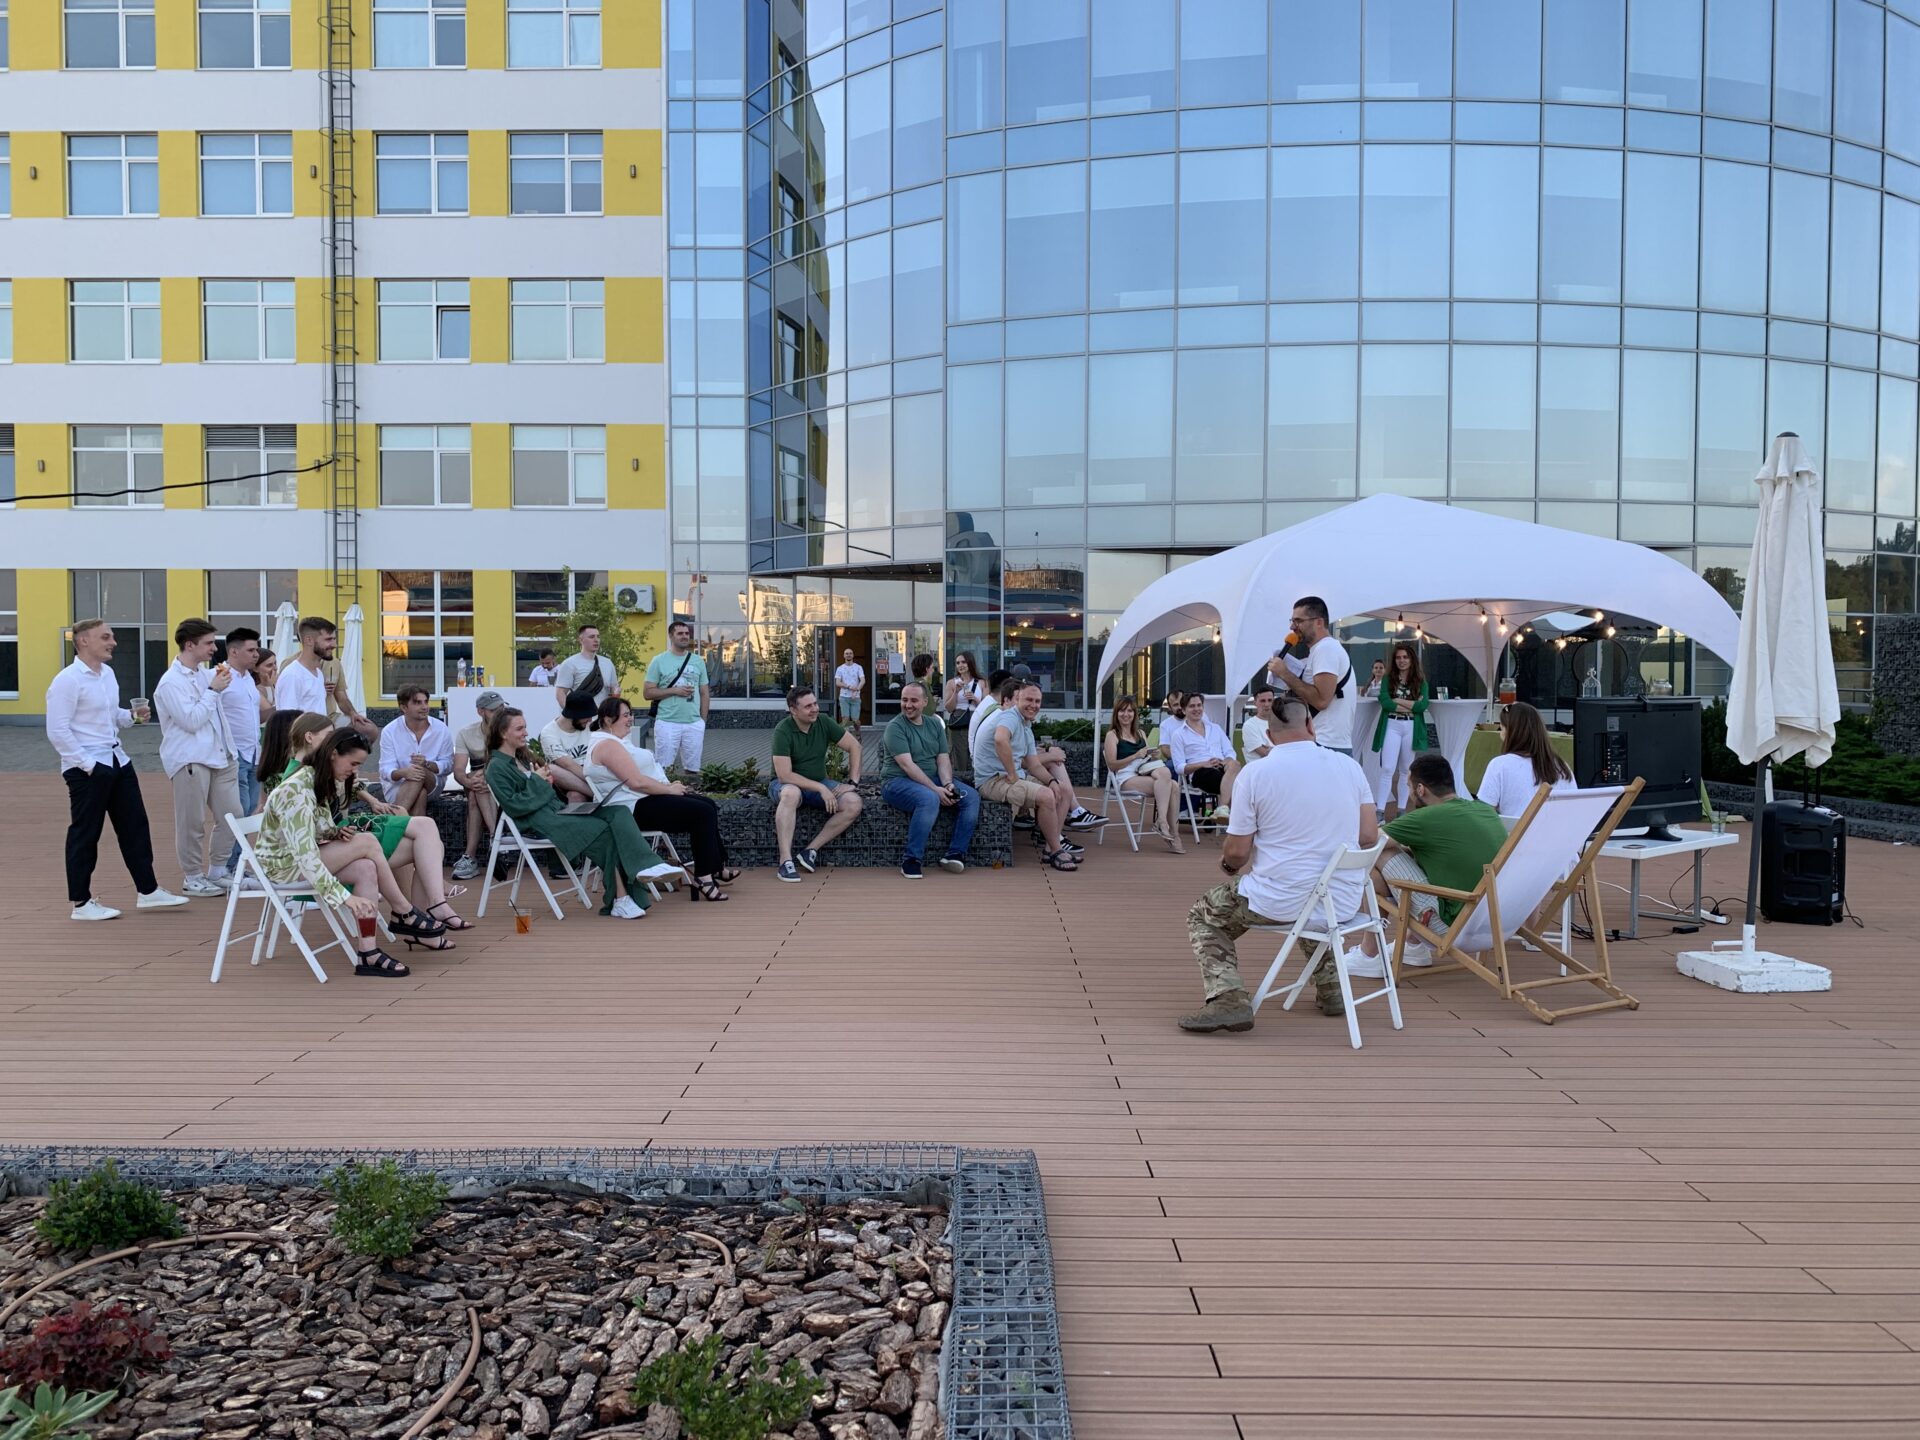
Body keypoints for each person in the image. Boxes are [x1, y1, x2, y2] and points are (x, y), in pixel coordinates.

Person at [1178, 698, 1379, 1033]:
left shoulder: (1256, 773)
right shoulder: (1349, 767)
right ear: (1311, 726)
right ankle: (1332, 987)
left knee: (1203, 915)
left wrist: (1228, 865)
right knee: (1314, 899)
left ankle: (1228, 999)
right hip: (1342, 899)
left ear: (1269, 735)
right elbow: (1369, 835)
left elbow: (1238, 853)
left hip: (1281, 899)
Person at [255, 725, 448, 976]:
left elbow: (317, 828)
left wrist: (334, 833)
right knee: (366, 841)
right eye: (354, 764)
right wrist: (344, 898)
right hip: (284, 868)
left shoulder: (315, 780)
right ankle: (403, 910)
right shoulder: (297, 789)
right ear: (333, 754)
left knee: (365, 867)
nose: (355, 771)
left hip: (300, 858)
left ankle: (368, 952)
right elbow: (305, 856)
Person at [47, 619, 189, 921]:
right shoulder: (67, 681)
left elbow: (111, 716)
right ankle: (81, 903)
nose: (113, 642)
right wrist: (88, 765)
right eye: (105, 637)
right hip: (87, 769)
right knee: (86, 834)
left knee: (135, 826)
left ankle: (148, 891)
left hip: (118, 761)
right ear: (83, 641)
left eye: (111, 637)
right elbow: (57, 731)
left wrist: (131, 717)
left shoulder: (107, 674)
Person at [486, 707, 675, 918]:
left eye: (525, 727)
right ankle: (621, 899)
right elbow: (514, 805)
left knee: (619, 811)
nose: (526, 733)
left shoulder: (521, 758)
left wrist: (543, 784)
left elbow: (541, 792)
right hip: (539, 822)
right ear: (503, 733)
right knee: (606, 831)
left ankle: (647, 865)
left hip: (557, 811)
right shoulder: (496, 767)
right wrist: (538, 782)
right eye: (520, 729)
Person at [312, 727, 470, 941]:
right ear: (309, 737)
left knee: (428, 840)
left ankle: (421, 913)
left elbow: (349, 794)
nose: (329, 739)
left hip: (340, 836)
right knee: (410, 832)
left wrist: (371, 801)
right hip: (325, 850)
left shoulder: (330, 772)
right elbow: (308, 837)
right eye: (326, 734)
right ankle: (411, 911)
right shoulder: (303, 780)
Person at [586, 697, 739, 900]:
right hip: (629, 810)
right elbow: (636, 782)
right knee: (702, 812)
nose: (630, 719)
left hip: (639, 800)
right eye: (625, 715)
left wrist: (668, 786)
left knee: (708, 804)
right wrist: (669, 790)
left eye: (630, 714)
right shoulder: (607, 745)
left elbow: (639, 779)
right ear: (607, 720)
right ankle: (704, 876)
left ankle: (715, 867)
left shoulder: (616, 741)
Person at [1377, 753, 1510, 966]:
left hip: (1453, 927)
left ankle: (1369, 952)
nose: (1410, 794)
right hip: (1496, 922)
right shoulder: (1485, 810)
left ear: (1421, 789)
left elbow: (1369, 842)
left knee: (1379, 852)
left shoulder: (1425, 818)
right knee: (1426, 854)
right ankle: (1412, 944)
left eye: (1409, 787)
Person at [153, 618, 243, 898]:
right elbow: (190, 721)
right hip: (190, 758)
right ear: (189, 645)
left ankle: (217, 870)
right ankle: (192, 876)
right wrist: (213, 690)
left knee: (233, 816)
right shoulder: (170, 683)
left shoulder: (205, 674)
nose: (214, 648)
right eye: (208, 643)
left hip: (222, 755)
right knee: (191, 822)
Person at [973, 679, 1080, 872]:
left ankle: (1050, 848)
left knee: (1063, 789)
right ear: (1018, 699)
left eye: (1037, 701)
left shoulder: (1025, 725)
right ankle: (1057, 851)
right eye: (1029, 700)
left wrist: (1052, 781)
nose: (1033, 705)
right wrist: (1012, 774)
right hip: (992, 780)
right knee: (1046, 796)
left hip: (1011, 778)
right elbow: (1000, 739)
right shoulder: (1009, 717)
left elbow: (1034, 764)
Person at [881, 682, 979, 878]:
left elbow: (943, 759)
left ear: (925, 702)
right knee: (929, 799)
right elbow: (907, 766)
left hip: (932, 779)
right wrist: (935, 789)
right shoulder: (895, 727)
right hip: (897, 782)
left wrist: (948, 784)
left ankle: (954, 854)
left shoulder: (935, 724)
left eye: (914, 700)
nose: (908, 705)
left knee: (971, 797)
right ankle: (911, 860)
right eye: (904, 700)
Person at [769, 684, 865, 882]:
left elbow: (854, 746)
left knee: (853, 803)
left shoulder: (823, 721)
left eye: (815, 704)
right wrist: (821, 788)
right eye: (808, 706)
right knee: (791, 793)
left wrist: (853, 782)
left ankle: (810, 850)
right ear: (793, 710)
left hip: (817, 783)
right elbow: (784, 775)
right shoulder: (783, 730)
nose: (814, 709)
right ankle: (785, 861)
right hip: (785, 785)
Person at [1273, 595, 1356, 756]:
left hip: (1326, 744)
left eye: (1298, 621)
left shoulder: (1326, 649)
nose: (1292, 627)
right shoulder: (1322, 650)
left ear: (1319, 622)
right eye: (1292, 621)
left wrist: (1285, 674)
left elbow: (1321, 701)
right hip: (1326, 742)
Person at [213, 626, 264, 883]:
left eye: (256, 649)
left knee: (249, 809)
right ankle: (227, 866)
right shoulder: (220, 676)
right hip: (234, 754)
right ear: (233, 652)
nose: (256, 654)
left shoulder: (248, 680)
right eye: (251, 650)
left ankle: (235, 864)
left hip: (253, 752)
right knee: (238, 813)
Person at [1104, 694, 1181, 853]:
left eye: (1130, 711)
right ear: (1116, 713)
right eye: (1122, 711)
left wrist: (1154, 755)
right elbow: (1111, 765)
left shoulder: (1140, 733)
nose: (1126, 714)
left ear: (1134, 714)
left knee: (1171, 781)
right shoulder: (1112, 735)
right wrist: (1135, 756)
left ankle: (1169, 828)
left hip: (1143, 772)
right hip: (1126, 777)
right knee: (1171, 785)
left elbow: (1146, 759)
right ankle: (1166, 827)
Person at [1476, 701, 1576, 818]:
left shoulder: (1499, 765)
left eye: (1501, 729)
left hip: (1516, 829)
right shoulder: (1561, 766)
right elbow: (1573, 810)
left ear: (1510, 732)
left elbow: (1485, 815)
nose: (1500, 734)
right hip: (1556, 829)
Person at [1368, 642, 1431, 816]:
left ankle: (1401, 810)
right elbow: (1385, 702)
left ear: (1412, 659)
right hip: (1392, 724)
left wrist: (1398, 700)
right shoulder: (1388, 679)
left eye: (1405, 657)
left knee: (1405, 770)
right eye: (1398, 657)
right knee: (1387, 768)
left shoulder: (1420, 681)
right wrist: (1411, 705)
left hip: (1411, 726)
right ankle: (1380, 810)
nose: (1401, 661)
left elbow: (1422, 706)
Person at [450, 690, 506, 879]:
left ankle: (471, 856)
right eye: (494, 710)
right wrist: (469, 781)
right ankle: (496, 840)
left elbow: (516, 764)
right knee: (476, 786)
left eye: (501, 708)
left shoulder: (510, 729)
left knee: (478, 787)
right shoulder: (466, 733)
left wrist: (486, 776)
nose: (499, 713)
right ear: (481, 711)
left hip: (506, 782)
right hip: (479, 786)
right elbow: (458, 770)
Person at [643, 618, 711, 773]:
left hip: (694, 723)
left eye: (687, 633)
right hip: (667, 722)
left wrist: (702, 721)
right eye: (680, 633)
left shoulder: (698, 661)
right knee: (664, 769)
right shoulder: (658, 661)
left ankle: (690, 789)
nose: (684, 636)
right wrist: (674, 691)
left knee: (693, 770)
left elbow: (704, 693)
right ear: (671, 636)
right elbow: (647, 693)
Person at [377, 684, 455, 816]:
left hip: (432, 784)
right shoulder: (390, 731)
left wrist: (427, 764)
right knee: (420, 794)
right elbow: (385, 769)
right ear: (403, 707)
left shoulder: (441, 729)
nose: (425, 707)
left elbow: (448, 765)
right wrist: (404, 773)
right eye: (418, 703)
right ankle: (414, 829)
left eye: (426, 702)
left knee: (419, 772)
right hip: (396, 788)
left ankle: (393, 819)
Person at [1166, 692, 1242, 822]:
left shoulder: (1216, 728)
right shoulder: (1178, 735)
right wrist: (1202, 764)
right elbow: (1179, 767)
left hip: (1222, 767)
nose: (1197, 709)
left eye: (1199, 705)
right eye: (1192, 706)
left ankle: (1223, 809)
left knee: (1235, 764)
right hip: (1200, 772)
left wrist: (1225, 761)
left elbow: (1230, 752)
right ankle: (1232, 817)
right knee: (1240, 785)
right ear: (1184, 710)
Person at [538, 691, 602, 799]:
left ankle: (598, 795)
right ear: (574, 715)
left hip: (593, 772)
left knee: (575, 795)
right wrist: (596, 784)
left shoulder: (589, 725)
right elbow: (568, 765)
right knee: (552, 769)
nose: (590, 720)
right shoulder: (549, 733)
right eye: (587, 716)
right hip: (570, 777)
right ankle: (598, 795)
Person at [259, 710, 336, 795]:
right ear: (309, 738)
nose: (332, 741)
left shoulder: (303, 769)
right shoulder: (297, 776)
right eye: (329, 735)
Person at [275, 616, 335, 724]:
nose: (334, 645)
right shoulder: (292, 675)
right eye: (328, 640)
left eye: (334, 639)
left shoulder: (318, 673)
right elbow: (288, 721)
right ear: (309, 640)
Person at [553, 622, 619, 708]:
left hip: (603, 714)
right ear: (581, 640)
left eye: (598, 637)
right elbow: (560, 693)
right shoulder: (569, 663)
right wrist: (571, 713)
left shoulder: (608, 663)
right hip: (580, 713)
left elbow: (614, 688)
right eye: (591, 637)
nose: (596, 640)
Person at [966, 667, 1013, 760]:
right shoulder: (995, 710)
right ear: (1006, 687)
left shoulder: (989, 703)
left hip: (982, 758)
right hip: (988, 762)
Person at [943, 651, 986, 729]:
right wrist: (956, 692)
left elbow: (987, 707)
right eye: (958, 663)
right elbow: (949, 709)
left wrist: (975, 699)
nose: (960, 665)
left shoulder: (982, 683)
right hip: (958, 720)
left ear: (970, 663)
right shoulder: (952, 683)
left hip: (977, 719)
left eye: (963, 662)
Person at [1240, 686, 1276, 763]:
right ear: (1255, 703)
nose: (1267, 704)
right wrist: (1280, 749)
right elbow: (1264, 753)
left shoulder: (1281, 722)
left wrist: (1272, 749)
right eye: (1262, 701)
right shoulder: (1249, 725)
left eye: (1270, 700)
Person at [833, 648, 865, 728]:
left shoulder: (858, 667)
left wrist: (856, 690)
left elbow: (863, 681)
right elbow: (837, 682)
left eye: (850, 653)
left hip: (855, 697)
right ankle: (846, 736)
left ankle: (857, 734)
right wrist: (849, 687)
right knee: (845, 719)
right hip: (844, 697)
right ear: (844, 655)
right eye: (846, 653)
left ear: (853, 655)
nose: (848, 655)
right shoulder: (840, 668)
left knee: (855, 720)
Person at [254, 650, 278, 716]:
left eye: (275, 663)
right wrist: (272, 686)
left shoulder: (276, 682)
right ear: (255, 669)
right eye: (269, 665)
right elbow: (273, 713)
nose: (275, 668)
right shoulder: (255, 689)